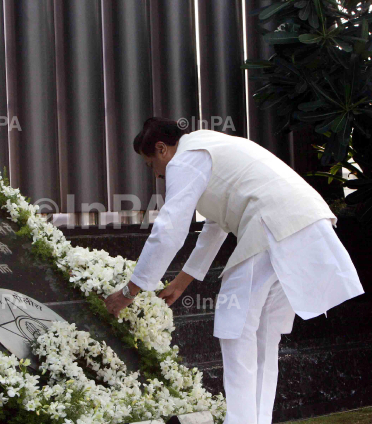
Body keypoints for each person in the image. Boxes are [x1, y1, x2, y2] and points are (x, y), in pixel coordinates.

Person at [103, 117, 365, 424]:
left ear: (162, 149)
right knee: (263, 333)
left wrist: (130, 291)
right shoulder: (208, 146)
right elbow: (216, 223)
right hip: (303, 222)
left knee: (235, 323)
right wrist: (183, 281)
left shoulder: (185, 158)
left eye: (151, 164)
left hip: (272, 224)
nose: (156, 174)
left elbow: (169, 229)